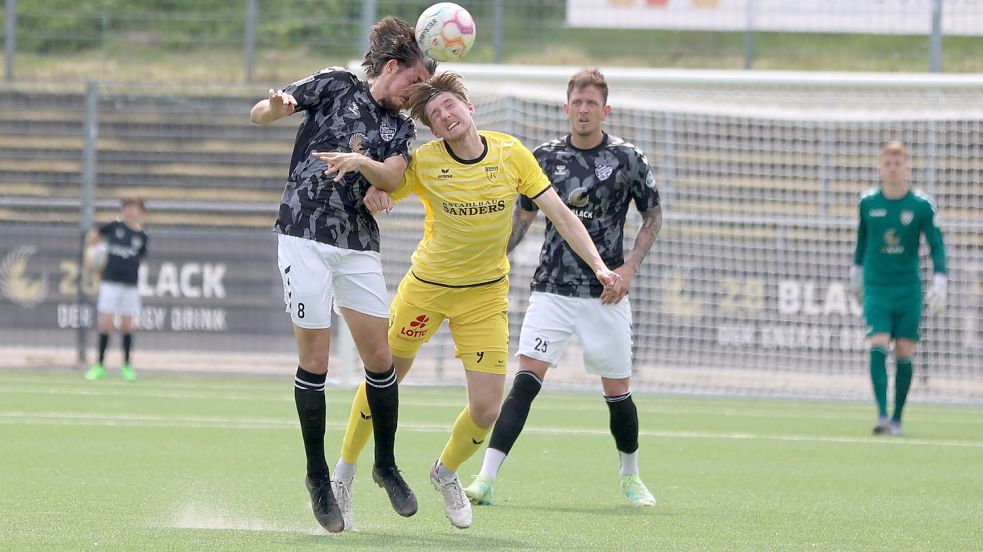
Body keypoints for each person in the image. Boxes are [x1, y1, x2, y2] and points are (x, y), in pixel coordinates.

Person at [321, 71, 621, 530]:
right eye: (436, 115)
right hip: (426, 289)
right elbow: (381, 188)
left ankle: (445, 472)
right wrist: (377, 190)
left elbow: (559, 213)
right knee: (385, 380)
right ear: (435, 129)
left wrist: (600, 266)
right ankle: (344, 471)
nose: (445, 115)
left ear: (469, 109)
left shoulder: (511, 153)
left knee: (487, 409)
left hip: (484, 296)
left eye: (450, 106)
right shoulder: (424, 162)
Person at [248, 16, 435, 533]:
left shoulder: (401, 125)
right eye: (415, 83)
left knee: (381, 358)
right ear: (393, 67)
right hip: (302, 236)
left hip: (356, 245)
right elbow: (264, 111)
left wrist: (363, 166)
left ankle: (386, 466)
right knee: (316, 360)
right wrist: (274, 108)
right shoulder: (336, 83)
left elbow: (395, 175)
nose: (416, 95)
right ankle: (316, 477)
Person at [461, 68, 661, 509]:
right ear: (566, 107)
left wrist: (627, 269)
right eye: (578, 102)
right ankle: (486, 478)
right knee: (526, 382)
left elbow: (652, 216)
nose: (584, 109)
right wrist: (497, 257)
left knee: (618, 394)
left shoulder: (629, 158)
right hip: (551, 289)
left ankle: (631, 476)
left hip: (606, 292)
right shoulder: (544, 157)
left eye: (593, 102)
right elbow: (522, 220)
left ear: (605, 110)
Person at [849, 141, 947, 436]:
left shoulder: (920, 205)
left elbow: (936, 244)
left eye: (898, 163)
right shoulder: (868, 202)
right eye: (888, 163)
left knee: (904, 351)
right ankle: (881, 414)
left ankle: (897, 418)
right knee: (878, 343)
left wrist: (941, 278)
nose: (893, 168)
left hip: (908, 288)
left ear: (907, 168)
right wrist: (856, 271)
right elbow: (862, 240)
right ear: (880, 168)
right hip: (877, 286)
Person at [84, 195, 149, 382]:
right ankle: (99, 366)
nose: (131, 211)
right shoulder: (113, 227)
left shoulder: (142, 236)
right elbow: (92, 238)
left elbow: (140, 259)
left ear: (141, 211)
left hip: (130, 285)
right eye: (127, 207)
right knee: (105, 324)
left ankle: (127, 366)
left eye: (135, 207)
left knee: (128, 326)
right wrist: (92, 260)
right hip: (110, 283)